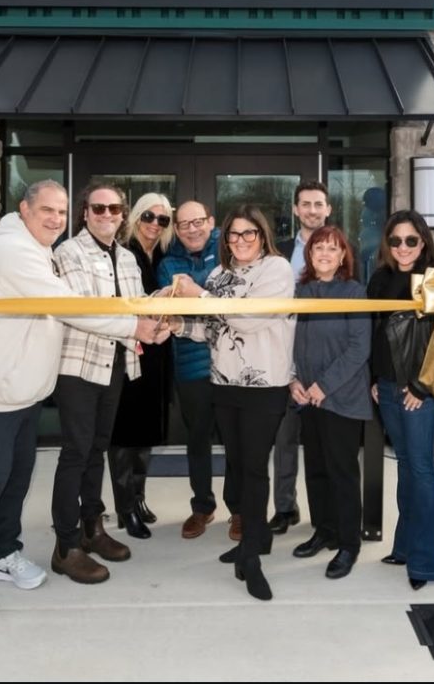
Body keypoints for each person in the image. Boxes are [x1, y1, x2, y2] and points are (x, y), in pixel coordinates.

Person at [0, 180, 164, 626]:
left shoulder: (38, 249)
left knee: (15, 481)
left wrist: (148, 317)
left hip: (24, 392)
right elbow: (68, 305)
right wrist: (133, 327)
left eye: (60, 213)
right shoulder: (15, 252)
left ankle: (3, 553)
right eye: (47, 210)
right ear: (23, 210)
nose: (54, 219)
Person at [169, 206, 295, 601]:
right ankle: (250, 542)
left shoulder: (276, 270)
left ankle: (253, 558)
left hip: (264, 385)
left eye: (249, 234)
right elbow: (210, 326)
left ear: (263, 235)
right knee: (238, 466)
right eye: (233, 235)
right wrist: (173, 323)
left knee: (255, 469)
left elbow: (247, 319)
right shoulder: (219, 274)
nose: (240, 241)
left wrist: (200, 295)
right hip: (223, 382)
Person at [50, 182, 154, 584]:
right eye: (99, 208)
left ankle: (92, 527)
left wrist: (158, 321)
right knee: (75, 451)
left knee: (97, 448)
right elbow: (78, 310)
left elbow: (136, 306)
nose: (107, 215)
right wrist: (137, 326)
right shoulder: (68, 252)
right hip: (78, 364)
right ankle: (65, 544)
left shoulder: (127, 258)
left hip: (114, 362)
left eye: (114, 209)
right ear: (84, 213)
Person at [367, 208, 434, 591]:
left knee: (421, 469)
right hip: (387, 386)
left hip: (420, 391)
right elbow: (373, 332)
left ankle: (424, 562)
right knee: (405, 467)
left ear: (423, 241)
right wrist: (374, 380)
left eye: (411, 240)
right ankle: (403, 546)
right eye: (395, 240)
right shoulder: (380, 278)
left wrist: (421, 387)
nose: (402, 247)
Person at [289, 226, 371, 579]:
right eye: (317, 247)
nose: (324, 253)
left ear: (343, 257)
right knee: (317, 470)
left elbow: (358, 349)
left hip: (342, 398)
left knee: (342, 473)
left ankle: (349, 543)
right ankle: (324, 530)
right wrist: (294, 379)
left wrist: (324, 385)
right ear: (309, 254)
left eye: (332, 248)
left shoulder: (355, 293)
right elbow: (289, 340)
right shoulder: (302, 292)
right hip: (307, 397)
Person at [157, 200, 229, 540]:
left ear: (210, 222)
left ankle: (240, 509)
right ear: (177, 228)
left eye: (198, 221)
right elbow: (174, 308)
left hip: (232, 365)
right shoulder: (168, 262)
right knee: (198, 442)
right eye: (184, 224)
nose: (192, 229)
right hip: (191, 365)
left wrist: (196, 292)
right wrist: (209, 297)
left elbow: (234, 302)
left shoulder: (232, 250)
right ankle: (203, 507)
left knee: (237, 441)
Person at [108, 192, 175, 539]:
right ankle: (124, 509)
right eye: (149, 216)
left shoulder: (162, 254)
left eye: (163, 220)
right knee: (125, 433)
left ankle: (138, 497)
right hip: (128, 350)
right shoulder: (124, 253)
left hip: (157, 353)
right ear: (135, 216)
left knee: (147, 430)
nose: (154, 224)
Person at [270, 179, 334, 535]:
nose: (312, 210)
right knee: (284, 440)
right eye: (305, 204)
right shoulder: (277, 252)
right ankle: (285, 508)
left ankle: (325, 516)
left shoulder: (344, 252)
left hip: (326, 362)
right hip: (283, 358)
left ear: (328, 209)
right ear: (296, 210)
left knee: (326, 446)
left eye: (318, 204)